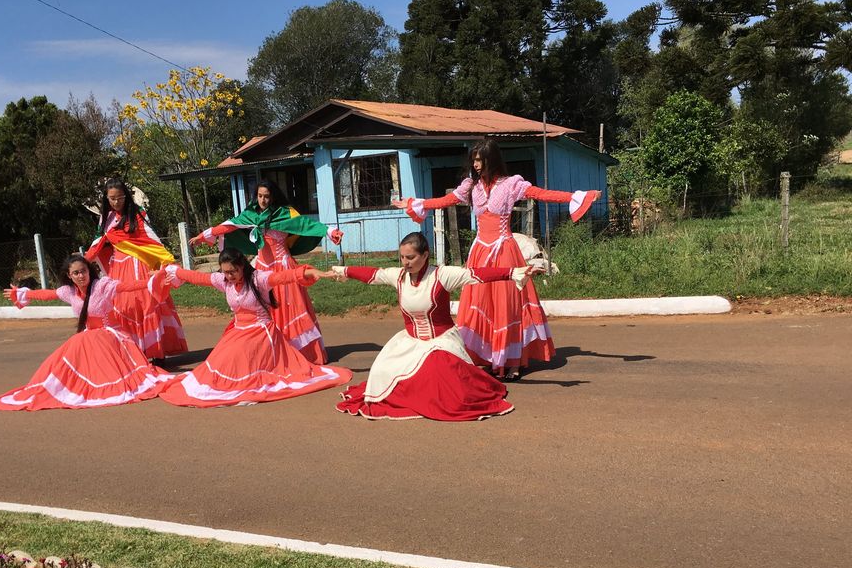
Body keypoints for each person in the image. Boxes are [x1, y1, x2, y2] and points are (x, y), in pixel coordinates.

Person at [394, 138, 601, 379]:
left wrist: (578, 197)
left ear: (491, 159)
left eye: (480, 159)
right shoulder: (471, 186)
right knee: (481, 305)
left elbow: (541, 194)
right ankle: (490, 357)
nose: (476, 164)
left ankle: (512, 361)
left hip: (504, 252)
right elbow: (444, 201)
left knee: (508, 307)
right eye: (474, 159)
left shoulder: (511, 184)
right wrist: (412, 203)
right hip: (481, 252)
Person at [331, 232, 543, 421]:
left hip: (441, 341)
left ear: (425, 255)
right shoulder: (398, 276)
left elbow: (477, 274)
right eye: (402, 257)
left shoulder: (442, 275)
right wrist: (344, 270)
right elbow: (373, 274)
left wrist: (512, 272)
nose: (405, 262)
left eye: (411, 257)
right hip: (410, 342)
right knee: (382, 373)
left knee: (438, 371)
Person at [159, 248, 352, 408]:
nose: (229, 276)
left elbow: (287, 276)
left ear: (242, 266)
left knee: (238, 358)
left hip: (261, 332)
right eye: (225, 272)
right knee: (219, 363)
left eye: (232, 271)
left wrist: (313, 272)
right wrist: (170, 271)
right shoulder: (223, 280)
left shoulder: (259, 279)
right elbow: (195, 277)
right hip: (237, 331)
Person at [0, 254, 173, 411]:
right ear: (69, 276)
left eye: (83, 271)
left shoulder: (102, 286)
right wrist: (23, 294)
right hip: (88, 336)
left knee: (89, 350)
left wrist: (151, 281)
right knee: (67, 354)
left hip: (111, 336)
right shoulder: (68, 291)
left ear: (89, 271)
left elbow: (126, 287)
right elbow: (48, 294)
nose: (81, 276)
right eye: (76, 273)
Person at [189, 180, 343, 365]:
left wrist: (329, 230)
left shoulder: (284, 214)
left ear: (273, 196)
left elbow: (306, 225)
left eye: (267, 196)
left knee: (288, 308)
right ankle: (271, 355)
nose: (263, 200)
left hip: (282, 266)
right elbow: (229, 225)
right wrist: (204, 235)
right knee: (263, 311)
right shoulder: (252, 214)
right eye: (260, 196)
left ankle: (299, 355)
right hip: (261, 268)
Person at [85, 178, 188, 360]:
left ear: (126, 196)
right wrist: (82, 261)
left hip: (139, 265)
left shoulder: (139, 213)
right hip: (118, 267)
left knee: (147, 303)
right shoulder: (106, 219)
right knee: (122, 307)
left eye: (120, 198)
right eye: (112, 198)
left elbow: (151, 239)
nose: (116, 202)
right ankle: (133, 353)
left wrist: (163, 263)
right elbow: (97, 243)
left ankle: (156, 353)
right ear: (106, 199)